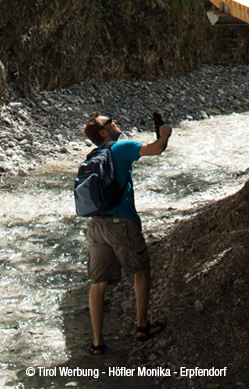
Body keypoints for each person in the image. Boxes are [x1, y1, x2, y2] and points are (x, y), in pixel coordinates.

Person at [83, 113, 172, 355]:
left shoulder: (93, 156)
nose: (114, 122)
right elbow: (155, 149)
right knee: (141, 270)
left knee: (98, 282)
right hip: (122, 222)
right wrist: (164, 134)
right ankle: (142, 326)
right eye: (109, 121)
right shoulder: (121, 147)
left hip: (95, 225)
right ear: (103, 132)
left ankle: (97, 343)